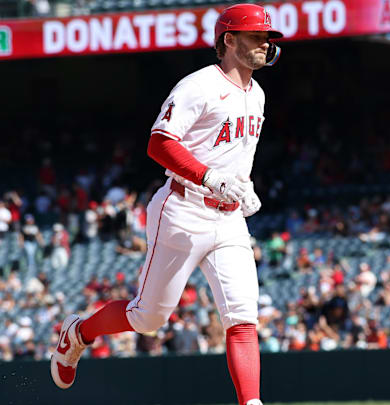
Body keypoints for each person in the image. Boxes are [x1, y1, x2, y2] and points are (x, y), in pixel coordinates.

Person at [50, 5, 283, 405]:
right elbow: (159, 143)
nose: (265, 44)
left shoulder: (257, 93)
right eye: (256, 36)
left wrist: (243, 185)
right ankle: (79, 332)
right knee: (148, 318)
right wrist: (211, 178)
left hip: (228, 221)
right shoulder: (199, 85)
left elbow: (230, 155)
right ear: (228, 40)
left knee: (243, 320)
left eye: (267, 38)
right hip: (183, 211)